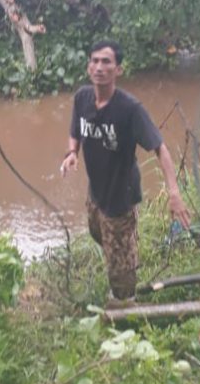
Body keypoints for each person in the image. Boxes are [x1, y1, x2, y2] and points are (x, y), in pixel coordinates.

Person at [61, 39, 191, 302]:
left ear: (118, 70)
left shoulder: (130, 109)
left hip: (121, 196)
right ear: (88, 67)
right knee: (98, 234)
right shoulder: (82, 98)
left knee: (120, 272)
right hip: (96, 192)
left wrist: (174, 193)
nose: (99, 67)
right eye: (95, 61)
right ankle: (125, 247)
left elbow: (160, 148)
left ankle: (125, 306)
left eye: (106, 62)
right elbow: (75, 131)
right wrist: (72, 153)